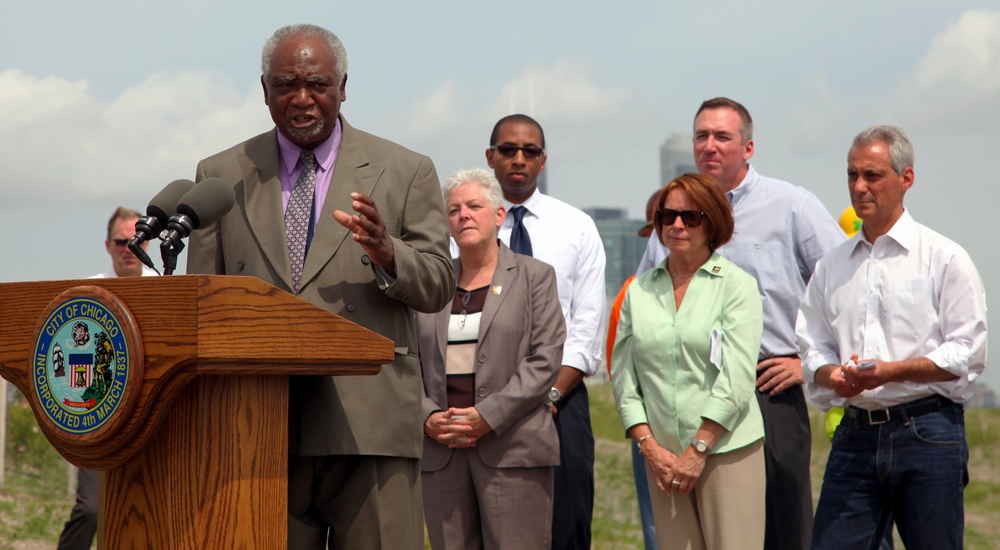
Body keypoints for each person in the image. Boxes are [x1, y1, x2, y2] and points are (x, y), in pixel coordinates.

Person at [187, 24, 455, 550]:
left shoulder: (405, 170)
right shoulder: (220, 176)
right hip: (256, 425)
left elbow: (439, 283)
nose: (303, 99)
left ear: (343, 88)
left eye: (317, 84)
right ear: (265, 90)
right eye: (287, 85)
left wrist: (388, 253)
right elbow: (203, 304)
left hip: (369, 422)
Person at [636, 97, 845, 550]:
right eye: (701, 136)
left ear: (748, 147)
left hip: (766, 388)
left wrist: (808, 364)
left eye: (722, 137)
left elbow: (849, 288)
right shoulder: (673, 218)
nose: (709, 146)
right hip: (686, 394)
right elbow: (643, 300)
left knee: (783, 529)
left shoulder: (792, 206)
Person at [797, 125, 987, 550]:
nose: (859, 187)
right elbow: (811, 346)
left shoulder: (944, 258)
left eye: (872, 175)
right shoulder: (831, 267)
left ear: (906, 179)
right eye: (852, 175)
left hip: (928, 431)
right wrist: (832, 376)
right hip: (855, 433)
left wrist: (891, 371)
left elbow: (968, 352)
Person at [613, 173, 766, 550]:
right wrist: (649, 447)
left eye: (691, 217)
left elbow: (737, 379)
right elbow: (624, 379)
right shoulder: (638, 291)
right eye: (667, 216)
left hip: (726, 451)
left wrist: (698, 449)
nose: (677, 225)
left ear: (713, 222)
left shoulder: (737, 285)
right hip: (662, 460)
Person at [417, 168, 566, 549]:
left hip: (512, 450)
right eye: (454, 210)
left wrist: (487, 416)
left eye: (474, 206)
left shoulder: (535, 277)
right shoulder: (430, 285)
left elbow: (545, 359)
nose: (463, 215)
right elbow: (406, 364)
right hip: (442, 451)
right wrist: (426, 416)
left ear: (499, 215)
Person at [485, 114, 606, 549]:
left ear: (543, 160)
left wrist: (548, 395)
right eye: (508, 150)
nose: (519, 159)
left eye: (530, 151)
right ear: (490, 157)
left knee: (566, 528)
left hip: (560, 401)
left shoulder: (576, 226)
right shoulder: (464, 227)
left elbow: (587, 327)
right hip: (483, 402)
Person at [57, 206, 155, 550]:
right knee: (91, 509)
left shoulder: (164, 288)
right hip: (99, 418)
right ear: (107, 245)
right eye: (121, 242)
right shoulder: (88, 292)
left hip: (151, 417)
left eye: (137, 240)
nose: (129, 248)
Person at [606, 188, 663, 550]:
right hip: (651, 432)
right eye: (662, 224)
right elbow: (620, 372)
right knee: (658, 531)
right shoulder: (629, 294)